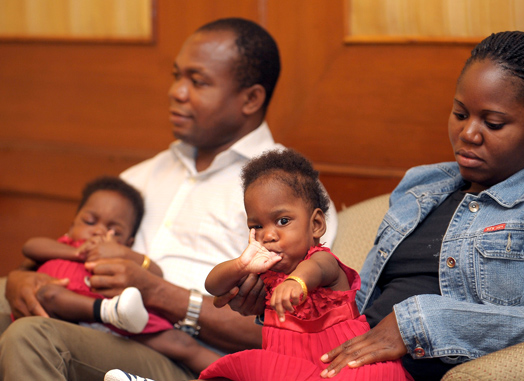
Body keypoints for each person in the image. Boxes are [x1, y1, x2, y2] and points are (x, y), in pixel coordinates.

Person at [219, 31, 524, 380]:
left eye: (492, 123)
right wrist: (282, 295)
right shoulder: (423, 184)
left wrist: (418, 324)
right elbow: (358, 297)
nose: (467, 133)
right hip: (347, 353)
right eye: (460, 113)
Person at [0, 17, 338, 381]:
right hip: (99, 329)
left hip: (193, 363)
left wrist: (157, 292)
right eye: (177, 76)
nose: (176, 91)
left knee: (32, 338)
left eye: (198, 82)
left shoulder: (290, 198)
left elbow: (293, 331)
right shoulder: (139, 178)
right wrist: (20, 280)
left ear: (251, 99)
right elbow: (69, 251)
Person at [108, 148, 410, 381]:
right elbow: (213, 284)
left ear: (316, 224)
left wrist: (296, 283)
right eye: (256, 226)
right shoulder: (265, 272)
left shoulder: (322, 261)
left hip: (338, 361)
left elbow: (315, 271)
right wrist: (240, 265)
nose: (268, 235)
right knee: (236, 372)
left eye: (282, 221)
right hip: (284, 367)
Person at [25, 176, 219, 374]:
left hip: (125, 318)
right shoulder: (65, 245)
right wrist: (76, 253)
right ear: (73, 224)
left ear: (129, 242)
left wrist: (126, 255)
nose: (99, 231)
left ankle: (236, 372)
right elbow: (30, 247)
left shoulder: (119, 257)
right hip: (71, 310)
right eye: (90, 222)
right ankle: (108, 310)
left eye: (115, 231)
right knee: (49, 294)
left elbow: (156, 273)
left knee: (181, 343)